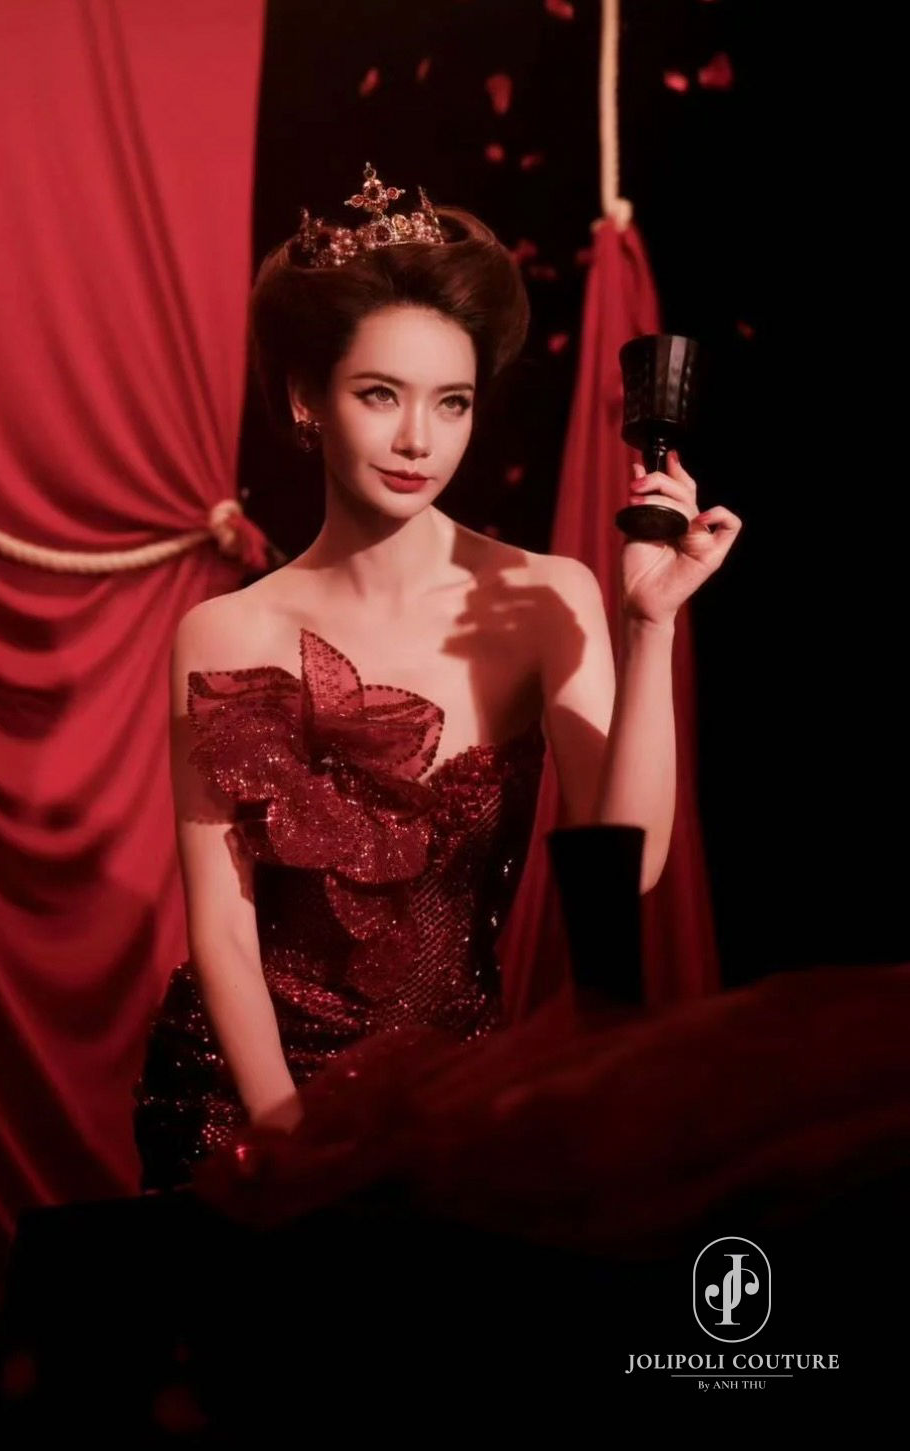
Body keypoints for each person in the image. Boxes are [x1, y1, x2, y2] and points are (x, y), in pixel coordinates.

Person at [132, 164, 741, 1192]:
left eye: (450, 403)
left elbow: (629, 868)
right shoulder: (224, 630)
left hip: (451, 1106)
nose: (419, 439)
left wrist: (649, 624)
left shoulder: (545, 594)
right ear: (306, 396)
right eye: (381, 395)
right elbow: (223, 930)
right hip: (243, 1106)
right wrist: (291, 1143)